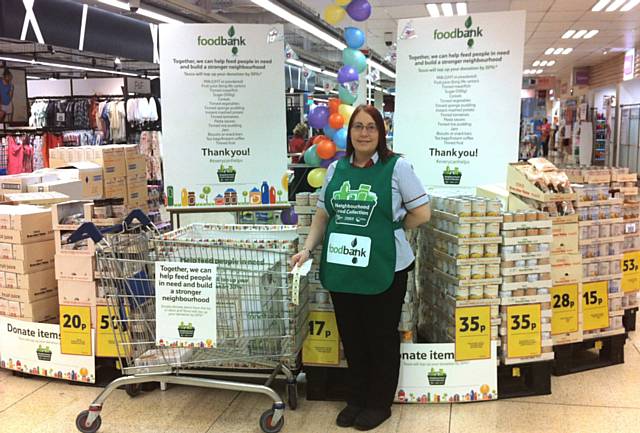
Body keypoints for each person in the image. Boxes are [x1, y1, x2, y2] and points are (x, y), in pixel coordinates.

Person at [291, 104, 430, 430]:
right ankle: (356, 397)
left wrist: (390, 229)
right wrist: (307, 249)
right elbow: (323, 214)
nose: (364, 133)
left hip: (387, 266)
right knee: (352, 336)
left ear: (381, 133)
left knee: (380, 336)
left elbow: (422, 213)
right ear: (349, 133)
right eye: (358, 127)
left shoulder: (397, 168)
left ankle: (378, 403)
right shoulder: (337, 170)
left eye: (371, 127)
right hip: (344, 266)